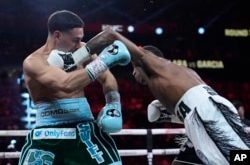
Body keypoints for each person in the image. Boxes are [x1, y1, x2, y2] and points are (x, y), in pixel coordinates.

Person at [86, 29, 250, 165]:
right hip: (200, 114)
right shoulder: (174, 77)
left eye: (133, 68)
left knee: (237, 158)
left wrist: (80, 53)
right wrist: (168, 114)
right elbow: (187, 109)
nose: (133, 73)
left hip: (206, 113)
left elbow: (110, 34)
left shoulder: (154, 63)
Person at [19, 10, 131, 165]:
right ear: (57, 35)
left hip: (85, 130)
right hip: (46, 134)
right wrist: (105, 60)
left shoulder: (81, 52)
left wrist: (113, 104)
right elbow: (65, 85)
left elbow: (107, 78)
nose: (80, 45)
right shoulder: (34, 62)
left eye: (81, 40)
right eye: (75, 40)